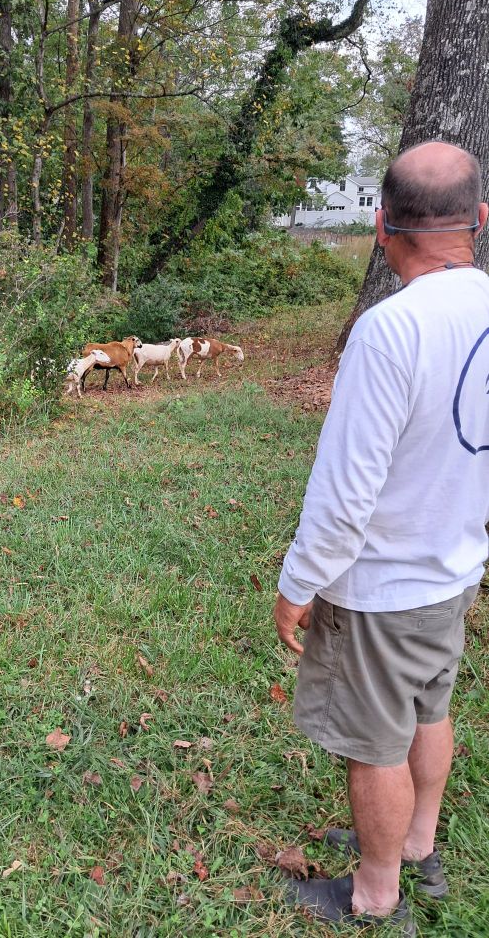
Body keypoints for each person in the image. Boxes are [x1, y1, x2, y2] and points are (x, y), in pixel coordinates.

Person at [274, 141, 489, 935]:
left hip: (384, 586)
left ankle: (375, 890)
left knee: (374, 744)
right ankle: (417, 844)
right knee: (429, 708)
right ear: (480, 220)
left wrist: (299, 585)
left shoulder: (389, 329)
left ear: (380, 225)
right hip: (454, 569)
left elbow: (344, 491)